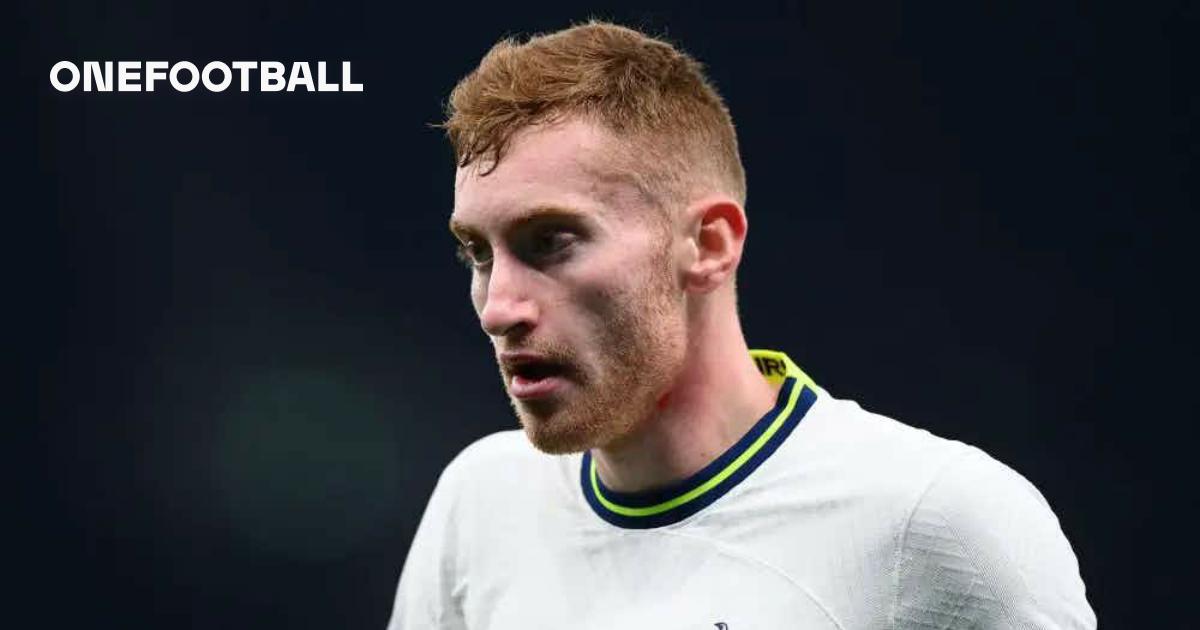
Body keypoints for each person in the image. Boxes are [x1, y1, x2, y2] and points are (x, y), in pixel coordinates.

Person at [388, 21, 1095, 629]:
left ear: (710, 244)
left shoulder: (941, 521)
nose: (497, 307)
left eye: (553, 241)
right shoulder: (478, 503)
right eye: (478, 252)